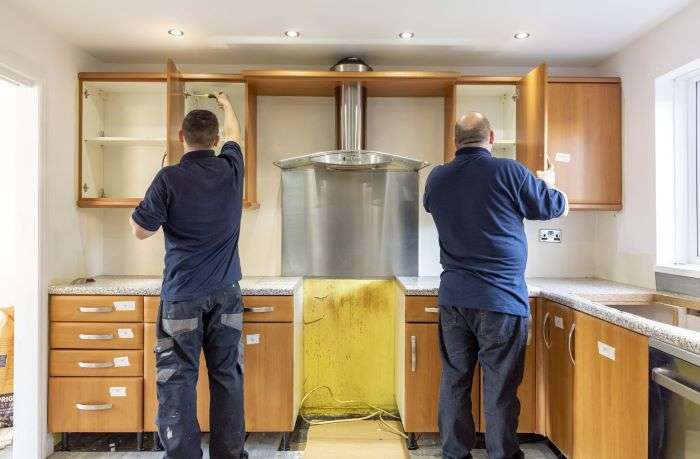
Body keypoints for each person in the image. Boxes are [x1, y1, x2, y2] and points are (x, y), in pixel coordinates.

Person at [424, 112, 568, 459]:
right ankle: (502, 455)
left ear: (455, 141)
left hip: (455, 298)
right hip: (500, 299)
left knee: (455, 381)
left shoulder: (437, 178)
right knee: (500, 386)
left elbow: (434, 206)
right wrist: (548, 179)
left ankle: (454, 454)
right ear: (490, 137)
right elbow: (554, 207)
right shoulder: (511, 171)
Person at [129, 93, 247, 459]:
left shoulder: (169, 178)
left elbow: (140, 231)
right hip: (226, 293)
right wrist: (226, 103)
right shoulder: (231, 168)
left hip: (182, 295)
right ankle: (229, 455)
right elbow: (236, 136)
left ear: (181, 136)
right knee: (227, 376)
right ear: (215, 141)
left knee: (178, 377)